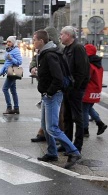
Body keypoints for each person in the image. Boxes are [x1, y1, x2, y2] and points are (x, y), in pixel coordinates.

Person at [32, 30, 82, 169]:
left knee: (52, 127)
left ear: (41, 41)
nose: (33, 42)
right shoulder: (44, 54)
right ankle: (52, 153)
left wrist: (49, 92)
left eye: (34, 40)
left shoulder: (49, 55)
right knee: (46, 125)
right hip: (47, 95)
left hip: (53, 95)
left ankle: (74, 152)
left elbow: (58, 78)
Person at [59, 26, 89, 153]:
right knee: (67, 117)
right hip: (67, 88)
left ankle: (77, 145)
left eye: (62, 34)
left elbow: (82, 70)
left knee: (77, 117)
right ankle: (67, 143)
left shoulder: (78, 48)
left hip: (75, 89)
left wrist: (76, 87)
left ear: (68, 35)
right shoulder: (67, 49)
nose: (60, 36)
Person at [31, 27, 63, 143]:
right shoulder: (42, 50)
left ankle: (69, 148)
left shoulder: (55, 50)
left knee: (55, 119)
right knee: (47, 121)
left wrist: (50, 91)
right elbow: (35, 60)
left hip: (53, 89)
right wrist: (33, 68)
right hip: (45, 87)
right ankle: (50, 145)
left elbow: (58, 75)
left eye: (36, 39)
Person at [82, 44, 108, 136]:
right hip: (96, 91)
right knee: (89, 108)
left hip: (88, 90)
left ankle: (85, 130)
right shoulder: (98, 65)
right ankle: (100, 123)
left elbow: (85, 78)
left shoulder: (89, 65)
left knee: (84, 110)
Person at [0, 36, 22, 114]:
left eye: (9, 42)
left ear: (13, 43)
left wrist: (11, 59)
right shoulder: (8, 50)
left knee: (5, 89)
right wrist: (1, 73)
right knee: (13, 90)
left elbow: (19, 62)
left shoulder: (16, 50)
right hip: (9, 72)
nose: (8, 43)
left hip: (13, 71)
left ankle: (9, 107)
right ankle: (16, 108)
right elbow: (6, 64)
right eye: (7, 42)